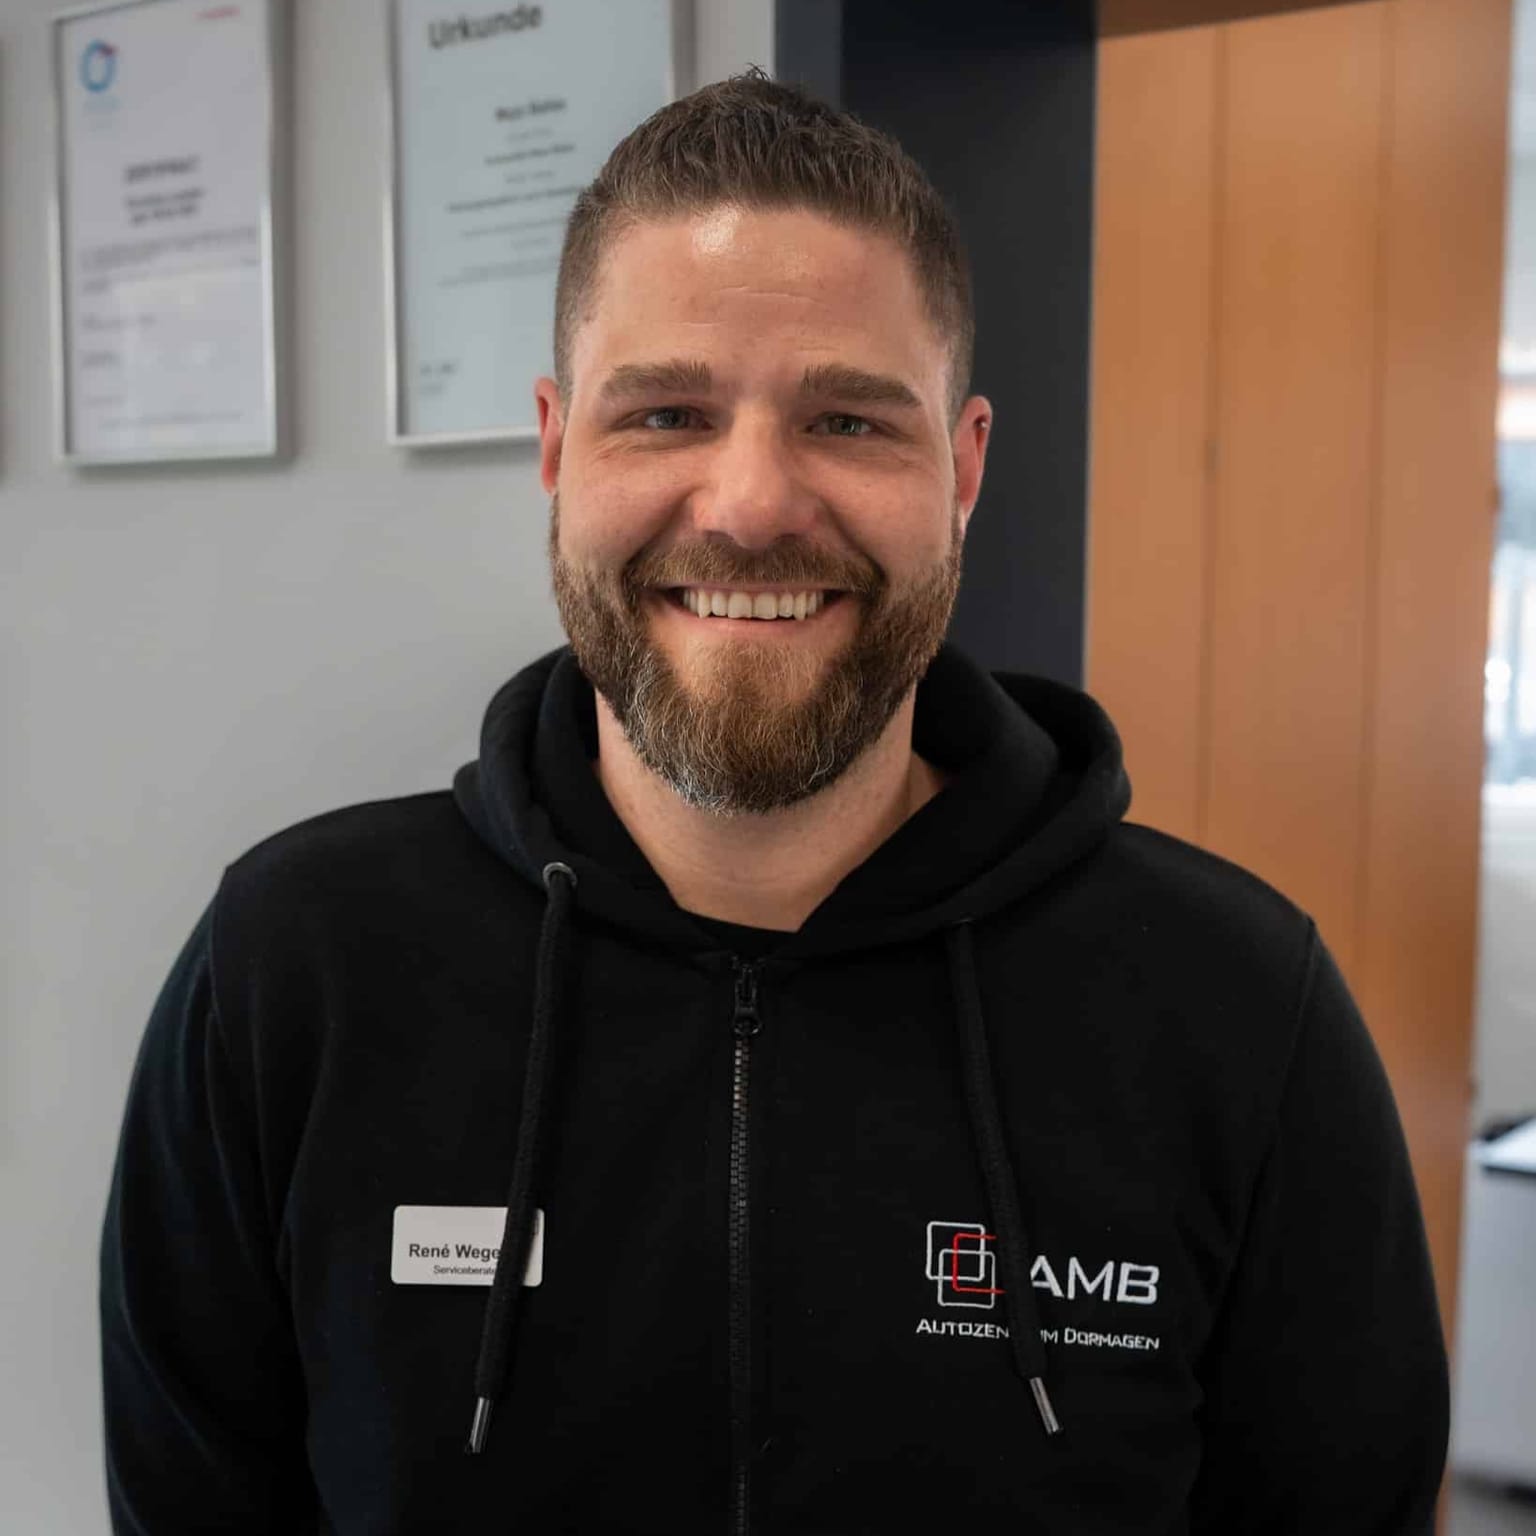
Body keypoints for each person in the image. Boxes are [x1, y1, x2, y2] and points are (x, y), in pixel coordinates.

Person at [101, 72, 1448, 1534]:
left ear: (964, 470)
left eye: (850, 422)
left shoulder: (1237, 1007)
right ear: (556, 448)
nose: (750, 505)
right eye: (667, 412)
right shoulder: (291, 973)